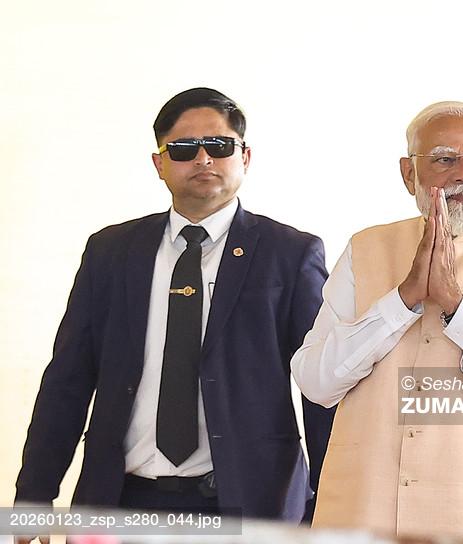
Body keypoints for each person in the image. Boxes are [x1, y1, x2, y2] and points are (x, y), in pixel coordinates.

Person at [15, 88, 335, 528]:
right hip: (121, 501)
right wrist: (35, 493)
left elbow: (321, 387)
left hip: (249, 505)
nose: (203, 159)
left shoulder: (291, 254)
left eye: (219, 146)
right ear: (159, 163)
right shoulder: (111, 252)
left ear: (245, 157)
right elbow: (68, 378)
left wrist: (331, 503)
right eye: (184, 148)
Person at [291, 102, 463, 542]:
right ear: (409, 174)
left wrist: (458, 309)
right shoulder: (365, 248)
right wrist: (401, 302)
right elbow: (316, 383)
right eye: (445, 159)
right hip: (362, 511)